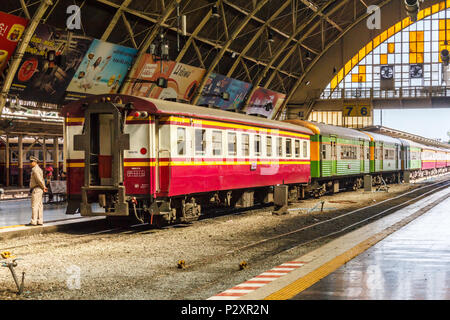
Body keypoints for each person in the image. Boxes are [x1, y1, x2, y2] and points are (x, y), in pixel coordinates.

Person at [27, 156, 48, 226]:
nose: (30, 163)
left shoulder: (35, 169)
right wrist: (43, 187)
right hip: (39, 189)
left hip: (36, 189)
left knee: (34, 205)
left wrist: (43, 187)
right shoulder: (39, 169)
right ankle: (40, 220)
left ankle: (34, 221)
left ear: (35, 162)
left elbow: (39, 180)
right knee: (39, 205)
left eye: (31, 162)